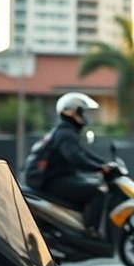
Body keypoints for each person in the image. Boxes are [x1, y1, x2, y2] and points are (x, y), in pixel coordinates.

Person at [24, 92, 111, 235]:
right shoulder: (66, 133)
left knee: (88, 185)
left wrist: (103, 164)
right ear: (71, 112)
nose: (85, 116)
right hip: (53, 181)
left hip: (55, 179)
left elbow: (83, 153)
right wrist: (98, 168)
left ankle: (79, 228)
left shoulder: (65, 131)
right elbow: (74, 157)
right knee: (97, 192)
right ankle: (91, 231)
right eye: (82, 112)